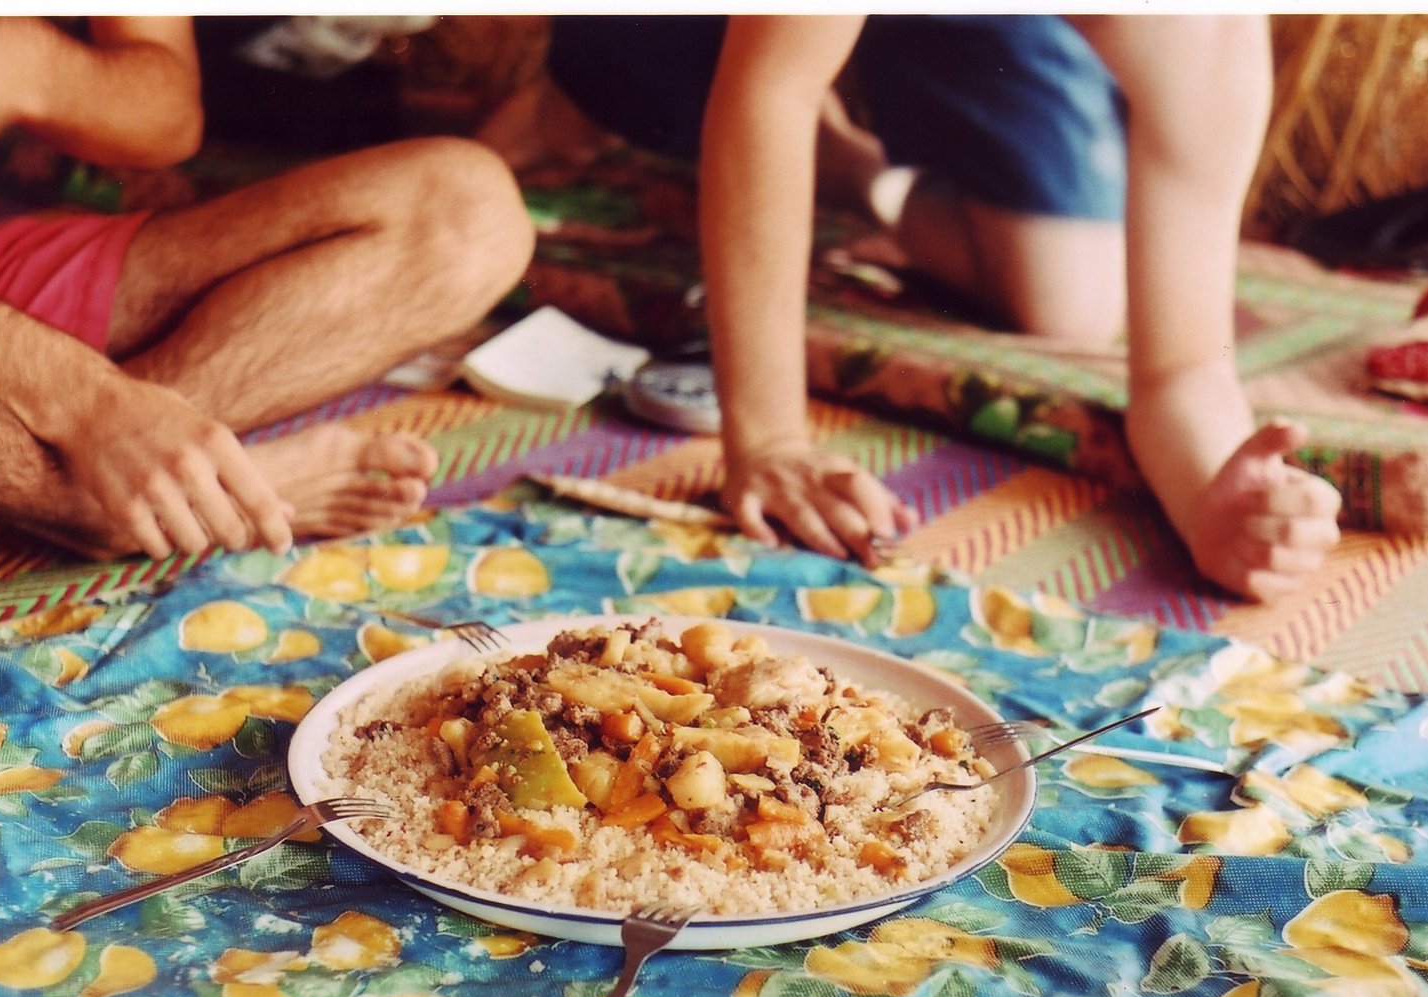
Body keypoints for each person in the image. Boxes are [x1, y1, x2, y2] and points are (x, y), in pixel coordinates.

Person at [486, 14, 1342, 600]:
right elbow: (766, 91)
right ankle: (576, 89)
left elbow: (1186, 368)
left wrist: (1213, 501)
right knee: (696, 76)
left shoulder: (1212, 37)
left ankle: (846, 163)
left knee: (1070, 298)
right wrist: (773, 437)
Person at [0, 16, 535, 581]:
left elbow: (165, 118)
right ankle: (79, 505)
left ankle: (104, 499)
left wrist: (24, 61)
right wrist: (88, 399)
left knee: (466, 211)